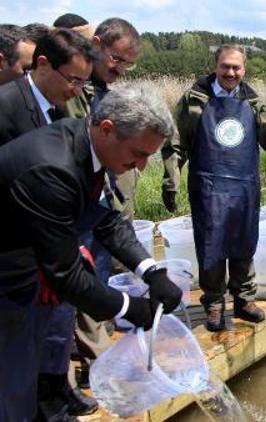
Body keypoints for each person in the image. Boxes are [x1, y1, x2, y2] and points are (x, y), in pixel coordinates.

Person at [0, 82, 183, 421]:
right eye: (139, 154)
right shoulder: (52, 170)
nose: (142, 166)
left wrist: (152, 272)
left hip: (27, 267)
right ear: (108, 129)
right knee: (10, 386)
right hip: (8, 274)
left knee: (27, 373)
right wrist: (129, 307)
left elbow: (108, 221)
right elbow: (66, 275)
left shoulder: (90, 148)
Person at [162, 44, 266, 331]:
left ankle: (245, 300)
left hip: (244, 185)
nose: (230, 72)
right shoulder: (194, 100)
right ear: (216, 66)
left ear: (244, 69)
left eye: (236, 67)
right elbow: (175, 144)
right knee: (211, 245)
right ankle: (213, 304)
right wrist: (170, 181)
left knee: (243, 241)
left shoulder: (252, 100)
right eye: (225, 66)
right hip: (207, 187)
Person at [0, 28, 97, 420]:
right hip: (11, 261)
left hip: (38, 261)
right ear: (42, 65)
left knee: (31, 354)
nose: (77, 91)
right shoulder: (6, 108)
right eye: (73, 79)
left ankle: (45, 397)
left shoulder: (57, 110)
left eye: (84, 83)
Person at [62, 16, 140, 396]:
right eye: (117, 60)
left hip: (102, 207)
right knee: (70, 294)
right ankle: (79, 376)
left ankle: (96, 365)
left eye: (128, 64)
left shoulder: (102, 90)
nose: (121, 70)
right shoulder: (72, 91)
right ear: (95, 44)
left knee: (98, 278)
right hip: (71, 209)